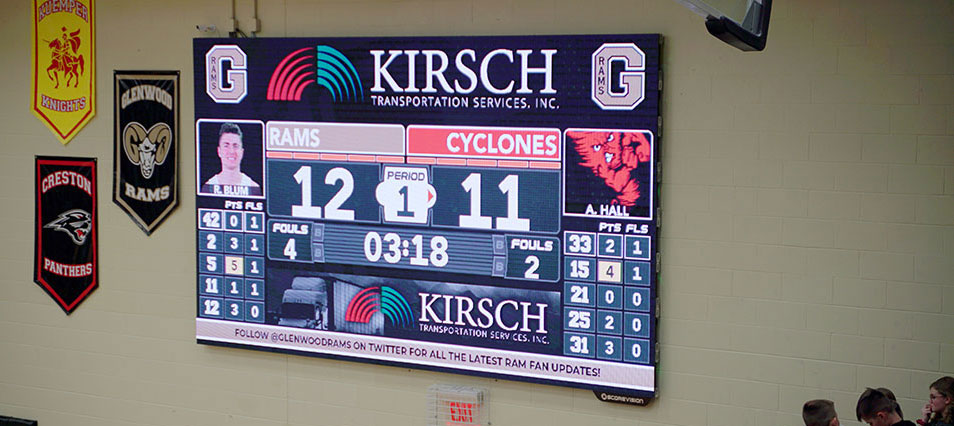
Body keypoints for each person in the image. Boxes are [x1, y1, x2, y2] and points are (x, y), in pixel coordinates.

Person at [202, 123, 261, 196]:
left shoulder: (253, 188)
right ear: (219, 151)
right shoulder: (208, 188)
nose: (231, 151)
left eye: (235, 146)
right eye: (226, 146)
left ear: (242, 152)